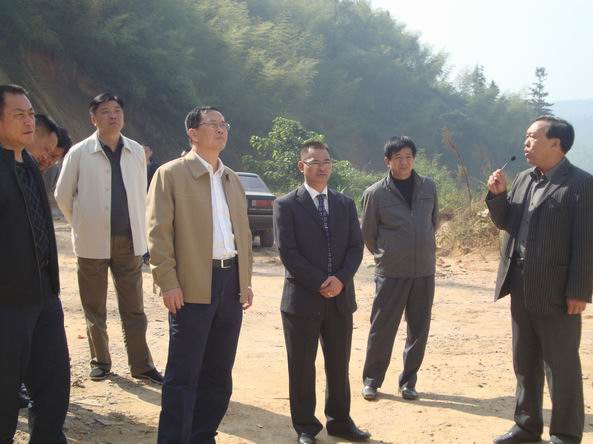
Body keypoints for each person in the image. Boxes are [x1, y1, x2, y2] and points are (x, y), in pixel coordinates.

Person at [147, 106, 254, 443]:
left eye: (224, 124)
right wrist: (168, 281)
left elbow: (242, 234)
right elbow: (158, 234)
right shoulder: (170, 174)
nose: (221, 129)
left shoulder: (231, 178)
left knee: (219, 373)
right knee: (184, 373)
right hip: (192, 283)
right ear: (192, 133)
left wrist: (245, 281)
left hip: (230, 282)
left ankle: (202, 436)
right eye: (213, 124)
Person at [487, 116, 592, 444]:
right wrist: (498, 196)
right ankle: (526, 427)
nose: (526, 143)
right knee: (524, 361)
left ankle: (565, 434)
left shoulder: (581, 184)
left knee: (561, 367)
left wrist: (579, 291)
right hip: (519, 283)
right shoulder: (524, 179)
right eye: (526, 137)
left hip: (557, 290)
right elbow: (508, 223)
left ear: (556, 144)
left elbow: (585, 243)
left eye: (533, 137)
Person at [55, 92, 162, 384]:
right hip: (91, 243)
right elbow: (62, 195)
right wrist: (81, 224)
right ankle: (100, 362)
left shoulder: (136, 151)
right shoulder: (79, 152)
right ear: (93, 119)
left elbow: (141, 194)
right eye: (105, 111)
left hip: (129, 241)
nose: (112, 116)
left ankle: (142, 365)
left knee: (134, 308)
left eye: (117, 110)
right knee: (94, 307)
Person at [274, 141, 370, 444]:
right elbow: (288, 252)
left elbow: (356, 247)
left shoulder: (344, 203)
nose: (322, 167)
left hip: (340, 299)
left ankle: (340, 421)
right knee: (302, 367)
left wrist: (340, 279)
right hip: (301, 301)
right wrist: (320, 281)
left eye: (327, 161)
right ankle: (305, 426)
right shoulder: (286, 204)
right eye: (315, 161)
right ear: (301, 166)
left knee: (339, 364)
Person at [0, 84, 70, 443]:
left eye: (30, 114)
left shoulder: (28, 163)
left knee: (54, 385)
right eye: (19, 115)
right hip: (8, 302)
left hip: (44, 295)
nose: (29, 121)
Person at [360, 136, 438, 402]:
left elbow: (432, 222)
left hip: (424, 270)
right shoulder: (375, 194)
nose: (404, 162)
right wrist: (388, 255)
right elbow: (369, 234)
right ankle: (372, 380)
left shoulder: (429, 187)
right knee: (382, 328)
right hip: (392, 272)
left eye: (408, 157)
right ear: (387, 161)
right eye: (398, 158)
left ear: (413, 159)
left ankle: (408, 382)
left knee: (419, 329)